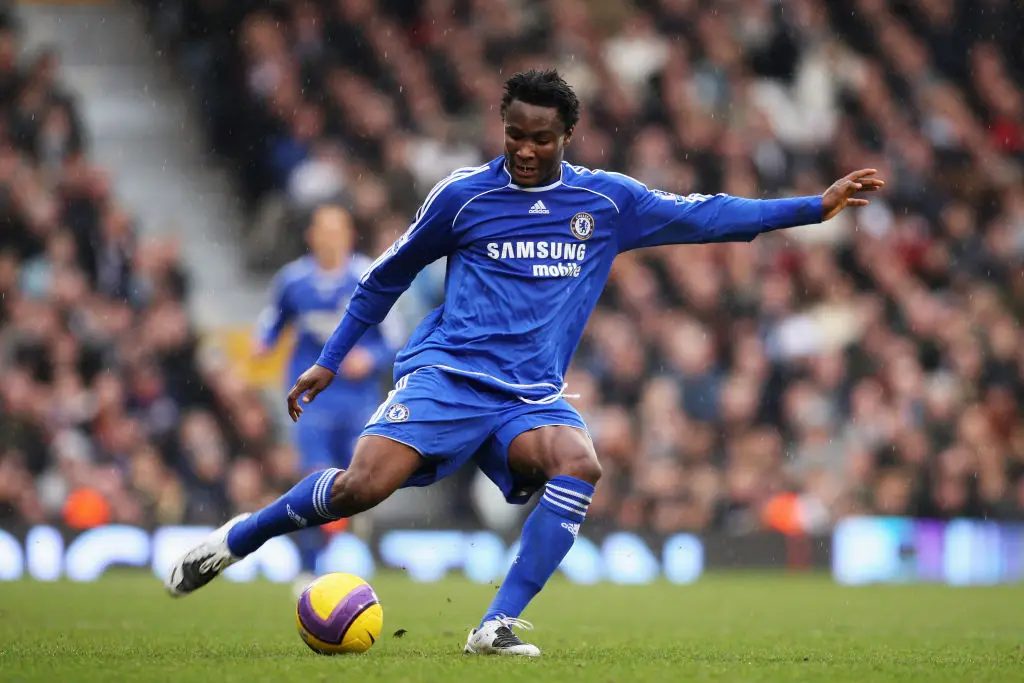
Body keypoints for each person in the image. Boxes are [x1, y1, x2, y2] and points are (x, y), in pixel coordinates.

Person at [165, 69, 884, 657]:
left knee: (580, 461)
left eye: (541, 139)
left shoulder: (606, 201)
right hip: (447, 375)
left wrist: (811, 209)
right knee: (358, 489)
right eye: (514, 135)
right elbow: (385, 274)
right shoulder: (462, 196)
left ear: (567, 135)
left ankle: (495, 624)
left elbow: (709, 214)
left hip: (529, 396)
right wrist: (329, 358)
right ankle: (236, 538)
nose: (526, 150)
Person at [252, 204, 397, 585]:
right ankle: (308, 566)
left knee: (359, 485)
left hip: (358, 402)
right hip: (313, 404)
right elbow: (273, 322)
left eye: (338, 230)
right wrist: (263, 343)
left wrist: (370, 357)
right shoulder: (293, 281)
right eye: (324, 230)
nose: (331, 237)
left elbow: (395, 339)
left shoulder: (369, 274)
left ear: (350, 235)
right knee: (314, 482)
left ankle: (353, 553)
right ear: (311, 235)